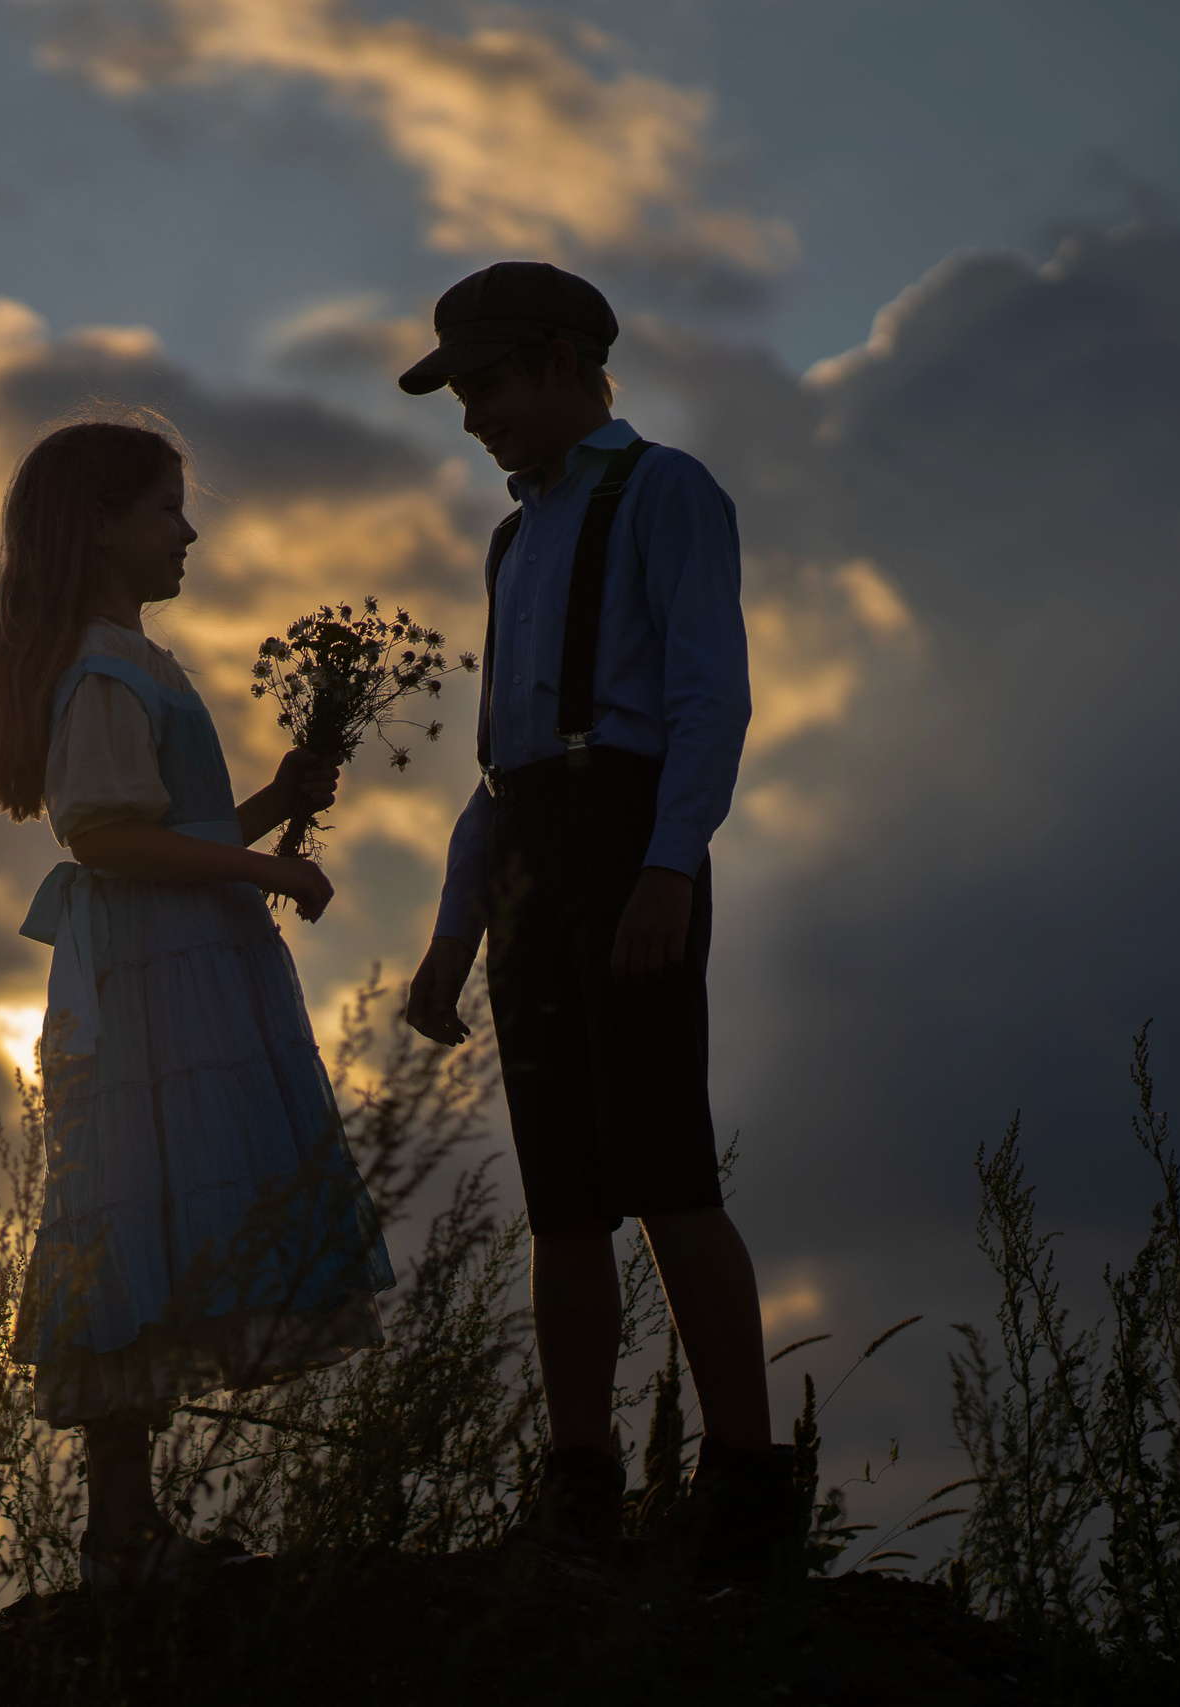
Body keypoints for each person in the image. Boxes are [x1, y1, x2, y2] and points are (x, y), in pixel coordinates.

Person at [395, 262, 799, 1577]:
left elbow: (707, 699)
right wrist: (456, 926)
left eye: (486, 386)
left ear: (564, 360)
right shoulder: (513, 540)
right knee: (561, 1193)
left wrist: (670, 867)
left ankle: (745, 1479)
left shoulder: (665, 491)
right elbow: (497, 762)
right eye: (461, 396)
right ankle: (578, 1480)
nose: (473, 417)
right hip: (531, 849)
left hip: (629, 838)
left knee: (667, 1167)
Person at [0, 415, 396, 1592]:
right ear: (100, 528)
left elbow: (161, 833)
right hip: (159, 982)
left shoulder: (132, 661)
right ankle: (119, 1535)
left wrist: (270, 807)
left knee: (167, 1219)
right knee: (139, 1217)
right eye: (165, 509)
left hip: (181, 963)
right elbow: (106, 836)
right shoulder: (106, 671)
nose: (188, 531)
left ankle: (130, 1529)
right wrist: (272, 871)